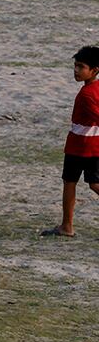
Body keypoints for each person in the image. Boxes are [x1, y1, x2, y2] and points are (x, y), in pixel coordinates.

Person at [43, 45, 99, 237]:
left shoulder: (86, 95)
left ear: (94, 70)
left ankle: (67, 226)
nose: (76, 70)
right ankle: (66, 226)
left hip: (80, 146)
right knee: (90, 184)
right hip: (93, 144)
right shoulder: (96, 88)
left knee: (71, 182)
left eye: (81, 66)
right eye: (75, 66)